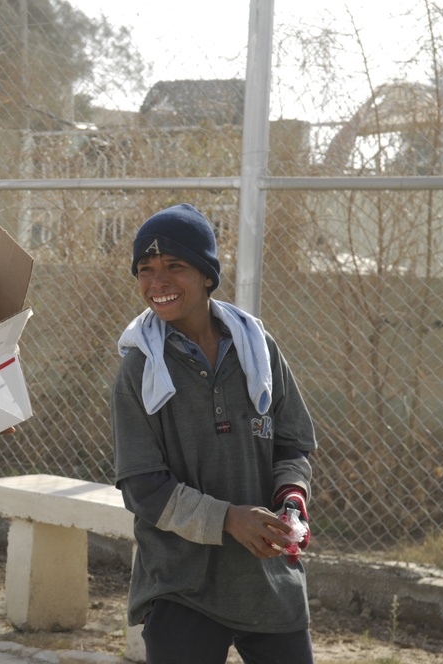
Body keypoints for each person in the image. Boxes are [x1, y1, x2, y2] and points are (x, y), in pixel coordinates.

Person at [110, 203, 317, 664]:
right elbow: (143, 488)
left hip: (267, 579)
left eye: (175, 266)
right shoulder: (140, 368)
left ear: (207, 274)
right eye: (145, 269)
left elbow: (292, 443)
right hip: (182, 584)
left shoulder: (256, 349)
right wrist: (228, 518)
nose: (157, 282)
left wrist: (291, 499)